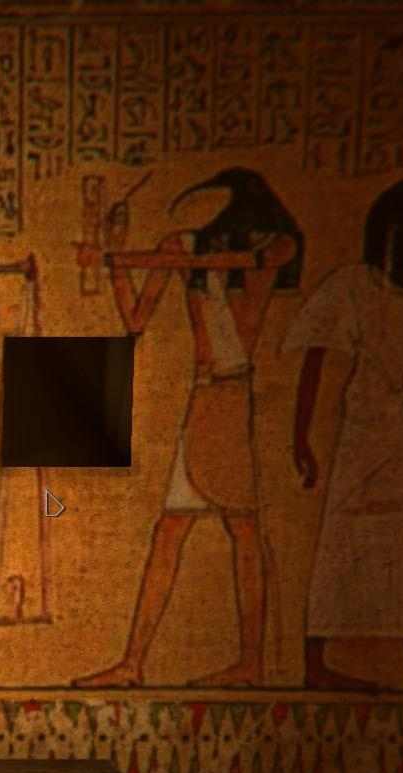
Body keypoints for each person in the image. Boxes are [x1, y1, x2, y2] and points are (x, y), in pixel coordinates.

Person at [72, 168, 303, 688]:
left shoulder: (271, 246)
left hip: (230, 399)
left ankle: (250, 662)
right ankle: (133, 663)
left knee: (241, 529)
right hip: (204, 400)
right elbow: (135, 320)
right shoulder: (183, 249)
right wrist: (116, 262)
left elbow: (244, 261)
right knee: (173, 531)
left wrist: (130, 259)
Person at [283, 180, 403, 691]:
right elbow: (316, 360)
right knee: (343, 537)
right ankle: (315, 662)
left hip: (400, 432)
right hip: (360, 428)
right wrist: (300, 438)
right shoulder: (353, 285)